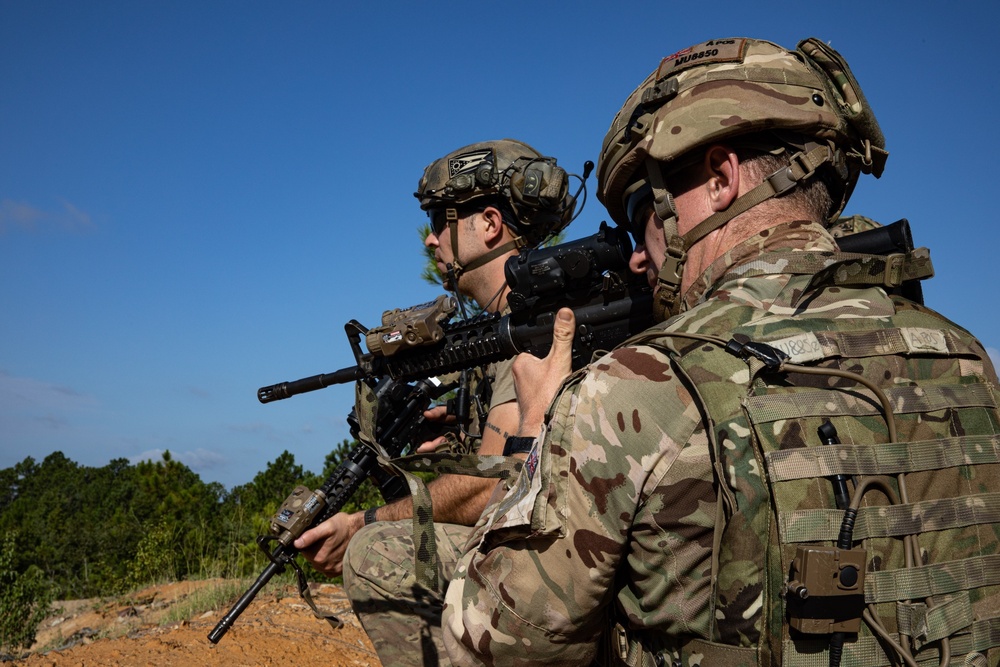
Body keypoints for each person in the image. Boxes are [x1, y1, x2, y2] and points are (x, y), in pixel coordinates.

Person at [443, 38, 1000, 667]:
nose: (636, 252)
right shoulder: (962, 356)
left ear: (720, 179)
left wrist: (535, 437)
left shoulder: (638, 385)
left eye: (639, 213)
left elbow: (490, 646)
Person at [296, 139, 577, 665]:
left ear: (489, 223)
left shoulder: (534, 326)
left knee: (375, 555)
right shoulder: (503, 324)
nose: (429, 240)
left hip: (557, 560)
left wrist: (366, 521)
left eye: (438, 220)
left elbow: (490, 486)